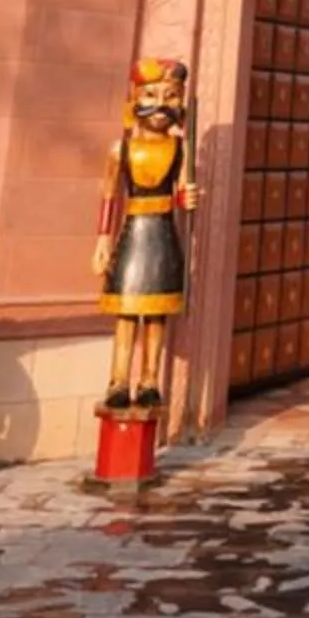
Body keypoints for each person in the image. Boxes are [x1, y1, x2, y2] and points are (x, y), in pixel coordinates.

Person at [94, 56, 194, 413]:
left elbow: (182, 194)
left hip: (163, 233)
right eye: (151, 94)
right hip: (133, 233)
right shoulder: (120, 150)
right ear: (134, 99)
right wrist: (103, 240)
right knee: (126, 312)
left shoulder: (180, 150)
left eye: (171, 96)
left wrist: (188, 195)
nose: (161, 105)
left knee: (155, 315)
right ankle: (119, 379)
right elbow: (109, 194)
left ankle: (150, 378)